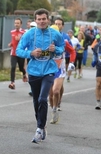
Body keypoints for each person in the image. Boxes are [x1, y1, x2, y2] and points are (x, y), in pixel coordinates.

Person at [16, 8, 64, 143]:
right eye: (39, 19)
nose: (42, 21)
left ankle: (38, 128)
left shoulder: (55, 34)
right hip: (34, 71)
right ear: (35, 20)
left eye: (44, 19)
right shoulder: (29, 34)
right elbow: (19, 50)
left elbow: (62, 48)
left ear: (48, 19)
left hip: (49, 70)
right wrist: (31, 53)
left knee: (43, 99)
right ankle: (42, 125)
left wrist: (56, 50)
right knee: (36, 101)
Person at [48, 25, 75, 124]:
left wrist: (71, 62)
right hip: (49, 70)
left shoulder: (63, 42)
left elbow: (72, 51)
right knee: (50, 96)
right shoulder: (46, 43)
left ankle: (56, 108)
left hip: (60, 70)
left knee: (56, 91)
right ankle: (54, 111)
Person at [51, 17, 74, 112]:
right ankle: (53, 105)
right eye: (56, 23)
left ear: (62, 26)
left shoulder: (65, 37)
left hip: (63, 62)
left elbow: (71, 50)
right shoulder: (48, 36)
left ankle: (58, 102)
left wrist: (71, 62)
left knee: (57, 88)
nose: (57, 25)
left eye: (59, 24)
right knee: (51, 91)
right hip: (50, 65)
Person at [8, 17, 27, 90]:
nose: (16, 24)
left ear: (21, 24)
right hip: (13, 53)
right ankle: (12, 83)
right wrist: (11, 44)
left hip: (21, 53)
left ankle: (24, 74)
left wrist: (20, 40)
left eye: (18, 23)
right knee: (13, 67)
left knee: (21, 68)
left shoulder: (24, 32)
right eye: (15, 23)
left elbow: (25, 42)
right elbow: (13, 41)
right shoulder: (12, 32)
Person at [90, 34, 101, 110]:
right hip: (100, 66)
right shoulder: (97, 46)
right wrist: (94, 60)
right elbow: (95, 54)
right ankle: (98, 102)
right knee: (98, 84)